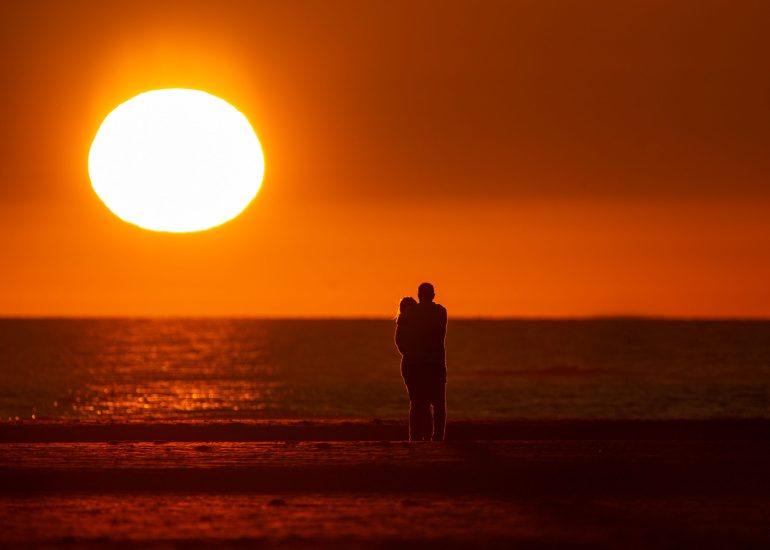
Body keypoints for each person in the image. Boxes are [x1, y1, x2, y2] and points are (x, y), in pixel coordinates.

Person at [395, 282, 447, 441]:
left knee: (417, 403)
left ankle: (415, 438)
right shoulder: (440, 311)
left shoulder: (408, 313)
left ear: (418, 295)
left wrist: (410, 354)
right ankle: (437, 437)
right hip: (434, 363)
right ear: (433, 295)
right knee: (438, 403)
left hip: (414, 364)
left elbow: (399, 340)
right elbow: (439, 335)